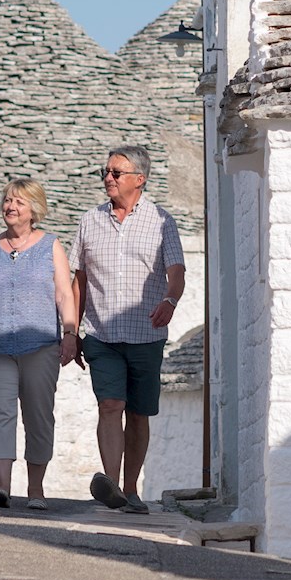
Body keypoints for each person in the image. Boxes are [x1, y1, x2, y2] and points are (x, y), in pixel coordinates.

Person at [74, 144, 184, 515]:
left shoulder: (162, 221)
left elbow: (177, 272)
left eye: (115, 172)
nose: (108, 177)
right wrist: (71, 331)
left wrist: (169, 301)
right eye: (105, 171)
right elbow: (79, 279)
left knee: (137, 413)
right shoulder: (90, 221)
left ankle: (131, 488)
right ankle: (111, 484)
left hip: (146, 335)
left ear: (140, 179)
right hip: (101, 333)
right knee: (110, 404)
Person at [0, 178, 81, 511]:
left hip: (41, 345)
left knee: (38, 416)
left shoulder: (50, 245)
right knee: (0, 415)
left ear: (34, 209)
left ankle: (36, 489)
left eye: (19, 202)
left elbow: (64, 293)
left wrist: (70, 333)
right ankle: (2, 487)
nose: (10, 206)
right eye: (7, 200)